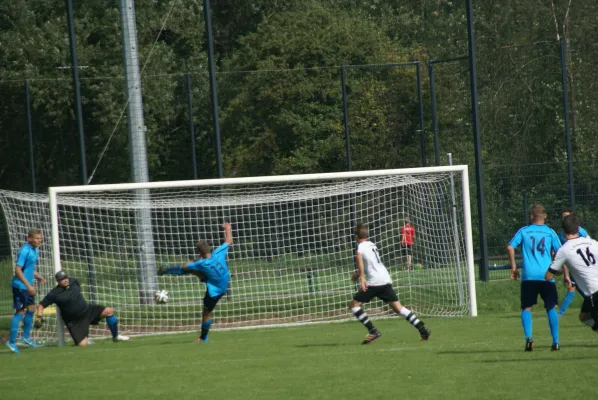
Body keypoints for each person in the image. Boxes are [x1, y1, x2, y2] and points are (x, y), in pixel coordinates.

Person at [349, 222, 430, 344]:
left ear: (356, 236)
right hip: (385, 279)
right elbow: (370, 264)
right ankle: (422, 329)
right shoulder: (372, 245)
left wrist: (361, 278)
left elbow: (360, 259)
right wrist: (359, 273)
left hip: (375, 282)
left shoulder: (360, 247)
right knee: (398, 308)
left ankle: (373, 331)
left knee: (354, 305)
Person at [158, 222, 232, 343]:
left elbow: (185, 266)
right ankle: (169, 271)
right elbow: (228, 241)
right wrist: (228, 229)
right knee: (193, 271)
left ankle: (203, 338)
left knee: (206, 312)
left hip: (215, 291)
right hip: (223, 283)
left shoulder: (201, 263)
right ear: (210, 248)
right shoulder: (218, 253)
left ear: (200, 252)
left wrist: (195, 260)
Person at [507, 204, 562, 351]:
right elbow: (561, 251)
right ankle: (555, 342)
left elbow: (510, 247)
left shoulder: (524, 231)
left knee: (526, 307)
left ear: (532, 217)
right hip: (547, 276)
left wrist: (514, 267)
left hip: (529, 276)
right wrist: (557, 267)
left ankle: (529, 338)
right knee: (550, 307)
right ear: (545, 217)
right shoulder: (550, 232)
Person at [35, 271, 129, 346]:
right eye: (62, 279)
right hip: (75, 321)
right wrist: (38, 318)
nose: (65, 280)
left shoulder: (73, 282)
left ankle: (115, 336)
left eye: (66, 277)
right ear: (58, 281)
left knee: (109, 311)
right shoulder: (54, 294)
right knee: (83, 345)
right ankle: (85, 338)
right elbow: (41, 305)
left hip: (88, 310)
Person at [546, 213, 598, 333]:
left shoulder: (564, 250)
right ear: (578, 228)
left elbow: (548, 276)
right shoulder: (593, 243)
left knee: (587, 317)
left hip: (593, 291)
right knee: (583, 316)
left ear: (563, 231)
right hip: (593, 291)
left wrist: (557, 271)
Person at [5, 228, 46, 354]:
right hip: (20, 286)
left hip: (28, 286)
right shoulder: (24, 250)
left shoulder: (35, 249)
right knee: (20, 312)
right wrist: (28, 286)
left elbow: (29, 268)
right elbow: (18, 270)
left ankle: (26, 337)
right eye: (37, 238)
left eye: (40, 238)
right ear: (30, 239)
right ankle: (11, 342)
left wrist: (37, 275)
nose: (40, 240)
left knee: (31, 309)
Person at [557, 209, 590, 316]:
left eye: (567, 216)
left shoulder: (581, 231)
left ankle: (560, 313)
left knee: (575, 287)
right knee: (573, 286)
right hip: (572, 264)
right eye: (563, 217)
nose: (564, 219)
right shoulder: (561, 233)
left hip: (583, 263)